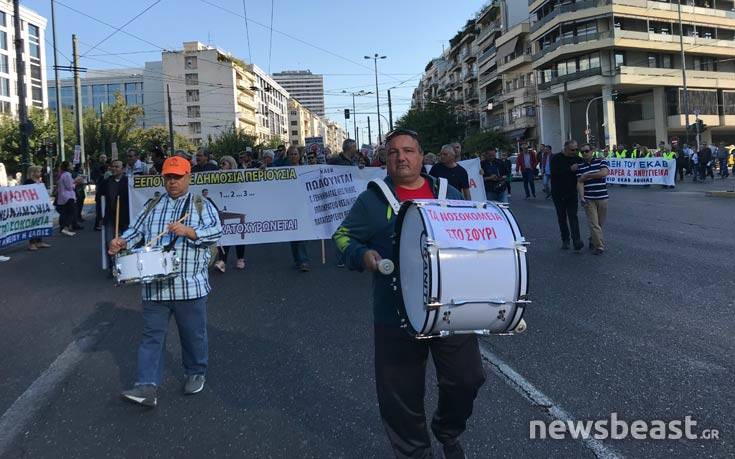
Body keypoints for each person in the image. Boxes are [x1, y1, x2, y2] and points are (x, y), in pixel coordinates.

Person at [333, 128, 485, 458]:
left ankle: (447, 428)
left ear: (421, 156)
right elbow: (343, 237)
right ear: (384, 160)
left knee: (468, 378)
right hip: (395, 312)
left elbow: (474, 240)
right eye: (393, 152)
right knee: (400, 394)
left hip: (450, 309)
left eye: (408, 151)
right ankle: (415, 452)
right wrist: (362, 256)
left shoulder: (449, 194)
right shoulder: (373, 199)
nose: (401, 157)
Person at [108, 156, 222, 408]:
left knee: (193, 335)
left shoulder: (200, 204)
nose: (172, 182)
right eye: (168, 177)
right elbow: (135, 231)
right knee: (151, 337)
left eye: (177, 177)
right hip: (155, 288)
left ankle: (195, 372)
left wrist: (190, 232)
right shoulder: (153, 204)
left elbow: (216, 231)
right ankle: (147, 386)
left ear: (188, 177)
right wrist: (122, 241)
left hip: (189, 284)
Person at [575, 145, 609, 255]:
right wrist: (582, 197)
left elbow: (603, 173)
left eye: (586, 151)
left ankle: (592, 239)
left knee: (599, 223)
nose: (584, 153)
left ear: (592, 151)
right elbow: (580, 182)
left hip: (602, 197)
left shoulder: (600, 161)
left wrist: (588, 175)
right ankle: (599, 246)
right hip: (589, 199)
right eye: (582, 152)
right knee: (593, 223)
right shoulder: (581, 166)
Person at [551, 140, 585, 250]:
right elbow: (555, 173)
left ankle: (576, 240)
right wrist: (570, 169)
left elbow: (586, 166)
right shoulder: (556, 158)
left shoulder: (577, 159)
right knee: (562, 217)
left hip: (572, 193)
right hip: (558, 193)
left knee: (573, 217)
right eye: (572, 150)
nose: (574, 151)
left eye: (576, 149)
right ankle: (565, 239)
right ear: (565, 148)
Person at [213, 156, 246, 272]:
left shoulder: (238, 177)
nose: (221, 166)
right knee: (224, 235)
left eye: (224, 164)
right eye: (221, 164)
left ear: (231, 165)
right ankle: (222, 261)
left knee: (238, 233)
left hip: (237, 208)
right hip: (223, 209)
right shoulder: (217, 177)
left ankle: (240, 258)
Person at [283, 146, 311, 272]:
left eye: (295, 154)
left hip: (303, 205)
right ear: (288, 156)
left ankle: (303, 260)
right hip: (289, 206)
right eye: (291, 154)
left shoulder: (306, 169)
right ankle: (297, 259)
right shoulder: (283, 171)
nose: (293, 156)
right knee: (293, 234)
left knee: (302, 233)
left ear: (299, 156)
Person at [99, 160, 129, 273]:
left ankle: (125, 266)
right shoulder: (106, 182)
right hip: (110, 217)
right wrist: (100, 218)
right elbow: (100, 200)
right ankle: (113, 267)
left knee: (125, 242)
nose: (115, 169)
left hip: (125, 217)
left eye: (117, 167)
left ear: (123, 168)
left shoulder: (128, 182)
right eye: (113, 167)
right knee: (109, 242)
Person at [23, 166, 52, 251]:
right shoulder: (28, 182)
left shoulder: (40, 181)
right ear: (33, 173)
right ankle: (32, 243)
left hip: (40, 206)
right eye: (38, 172)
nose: (40, 173)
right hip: (32, 207)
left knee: (40, 223)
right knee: (33, 224)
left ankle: (39, 241)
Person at [55, 161, 77, 237]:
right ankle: (66, 227)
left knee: (64, 213)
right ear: (67, 167)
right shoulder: (67, 175)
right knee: (72, 212)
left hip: (62, 197)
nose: (72, 166)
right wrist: (75, 183)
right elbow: (70, 187)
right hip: (69, 196)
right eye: (71, 165)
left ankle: (63, 228)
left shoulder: (62, 174)